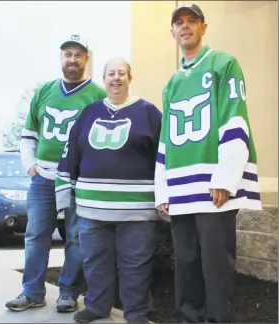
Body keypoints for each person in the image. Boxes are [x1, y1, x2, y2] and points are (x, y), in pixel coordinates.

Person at [154, 4, 262, 323]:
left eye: (192, 21)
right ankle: (190, 319)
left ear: (204, 27)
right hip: (181, 191)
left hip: (214, 188)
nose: (185, 26)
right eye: (179, 22)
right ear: (172, 32)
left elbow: (235, 119)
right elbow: (166, 140)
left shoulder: (223, 64)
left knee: (215, 265)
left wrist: (226, 178)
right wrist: (163, 189)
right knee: (186, 263)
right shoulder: (171, 84)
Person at [55, 58, 162, 323]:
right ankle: (97, 306)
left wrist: (166, 195)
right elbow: (71, 154)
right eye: (111, 73)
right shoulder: (89, 112)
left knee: (135, 264)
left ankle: (136, 311)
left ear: (130, 78)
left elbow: (164, 157)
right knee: (95, 261)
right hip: (92, 208)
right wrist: (64, 193)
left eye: (121, 73)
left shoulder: (148, 112)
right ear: (104, 80)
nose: (116, 78)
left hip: (137, 209)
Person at [5, 34, 106, 313]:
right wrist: (30, 165)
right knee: (36, 234)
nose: (72, 59)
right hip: (44, 178)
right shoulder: (44, 91)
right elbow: (28, 134)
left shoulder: (97, 95)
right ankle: (32, 291)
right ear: (61, 58)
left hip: (77, 180)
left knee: (76, 238)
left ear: (86, 59)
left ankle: (68, 292)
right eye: (67, 54)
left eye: (78, 55)